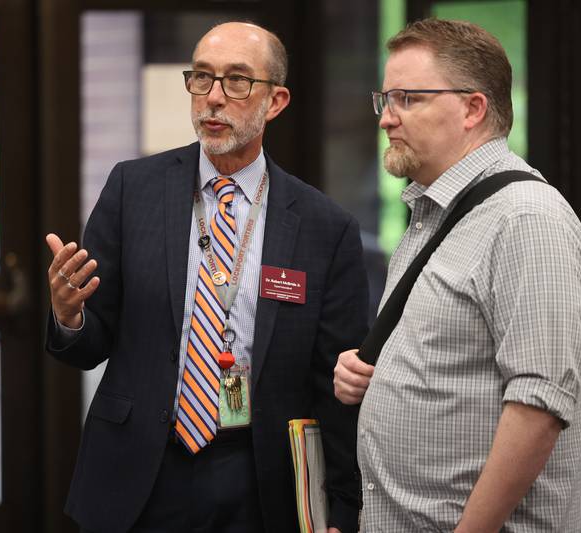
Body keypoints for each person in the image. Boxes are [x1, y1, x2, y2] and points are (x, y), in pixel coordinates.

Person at [45, 21, 367, 533]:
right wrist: (70, 315)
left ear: (276, 101)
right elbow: (89, 346)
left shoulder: (325, 228)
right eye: (202, 78)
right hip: (139, 469)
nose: (213, 98)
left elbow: (337, 384)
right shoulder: (133, 189)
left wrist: (344, 506)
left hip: (259, 478)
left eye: (237, 81)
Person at [334, 18, 581, 532]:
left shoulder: (527, 219)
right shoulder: (435, 214)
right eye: (384, 99)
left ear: (473, 108)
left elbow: (538, 409)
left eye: (408, 98)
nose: (387, 118)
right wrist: (377, 375)